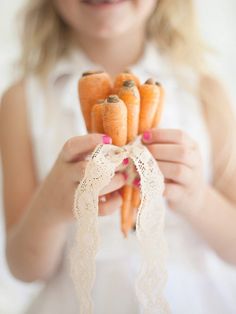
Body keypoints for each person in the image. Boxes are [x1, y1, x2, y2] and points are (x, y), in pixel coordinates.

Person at [0, 0, 236, 313]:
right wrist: (50, 206)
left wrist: (198, 199)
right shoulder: (22, 101)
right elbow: (24, 268)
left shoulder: (205, 92)